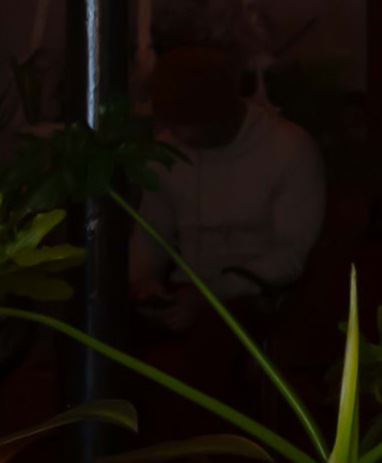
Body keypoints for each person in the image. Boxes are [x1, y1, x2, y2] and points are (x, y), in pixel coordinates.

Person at [133, 46, 324, 327]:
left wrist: (214, 294)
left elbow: (291, 254)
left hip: (259, 299)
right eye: (175, 125)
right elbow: (151, 231)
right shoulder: (166, 153)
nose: (184, 135)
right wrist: (142, 280)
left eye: (194, 123)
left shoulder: (289, 149)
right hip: (183, 292)